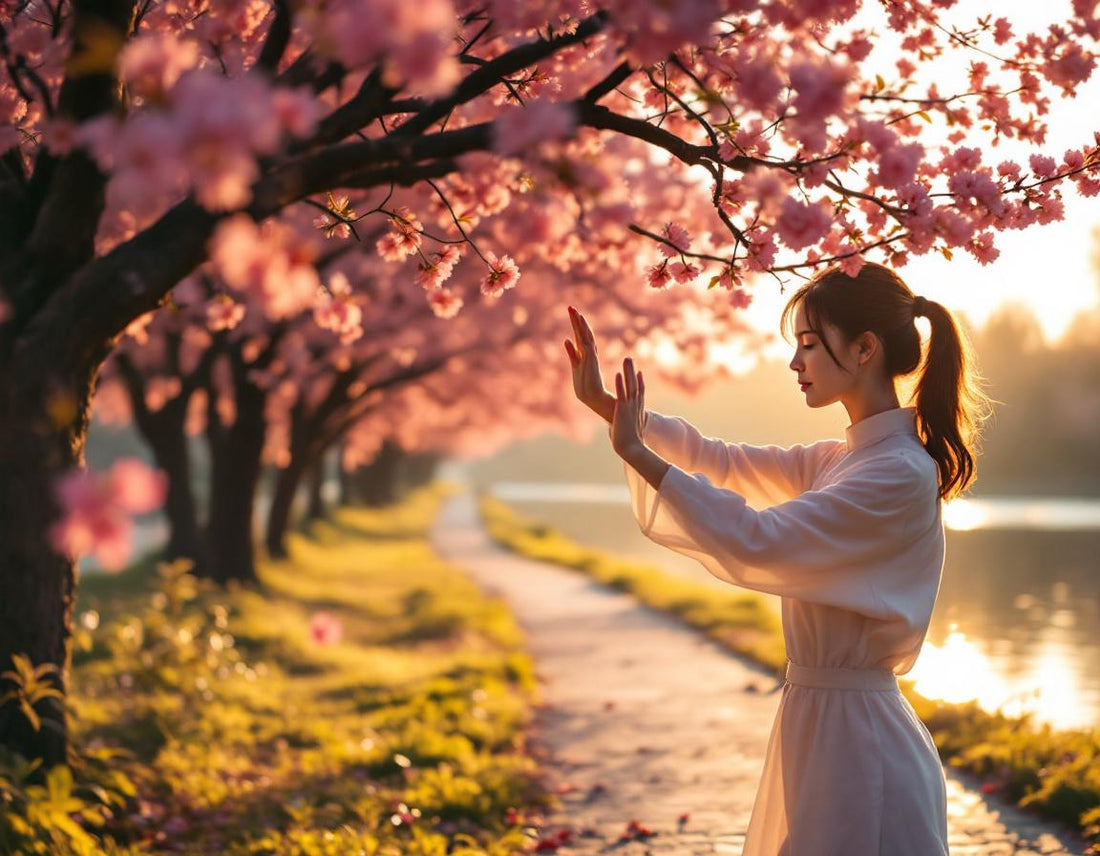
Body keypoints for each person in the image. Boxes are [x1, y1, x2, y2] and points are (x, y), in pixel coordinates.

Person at [563, 261, 992, 856]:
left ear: (865, 348)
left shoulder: (894, 473)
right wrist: (611, 409)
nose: (795, 363)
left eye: (810, 346)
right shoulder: (840, 459)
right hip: (821, 724)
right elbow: (722, 461)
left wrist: (638, 453)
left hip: (860, 743)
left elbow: (759, 539)